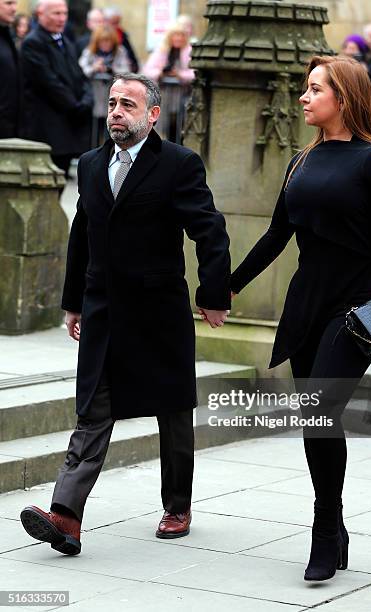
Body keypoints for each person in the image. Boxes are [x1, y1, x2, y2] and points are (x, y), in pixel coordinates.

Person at [19, 73, 231, 555]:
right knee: (92, 410)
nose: (117, 111)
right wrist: (73, 301)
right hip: (104, 311)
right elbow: (82, 237)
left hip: (159, 312)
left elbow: (210, 231)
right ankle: (66, 517)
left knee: (173, 410)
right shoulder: (92, 164)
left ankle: (177, 505)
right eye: (112, 102)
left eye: (128, 104)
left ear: (153, 115)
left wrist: (214, 293)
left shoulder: (178, 164)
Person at [230, 55, 371, 582]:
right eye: (306, 89)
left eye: (315, 89)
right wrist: (227, 287)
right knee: (317, 421)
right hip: (306, 305)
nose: (304, 98)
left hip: (356, 309)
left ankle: (324, 528)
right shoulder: (301, 160)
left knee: (321, 407)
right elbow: (275, 237)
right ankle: (334, 523)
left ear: (345, 96)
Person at [21, 0, 93, 178]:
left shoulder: (66, 42)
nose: (62, 19)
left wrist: (87, 99)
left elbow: (79, 75)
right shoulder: (33, 43)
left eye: (64, 13)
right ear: (40, 14)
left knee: (59, 178)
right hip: (48, 125)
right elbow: (48, 82)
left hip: (68, 125)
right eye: (56, 13)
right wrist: (75, 106)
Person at [79, 25, 131, 146]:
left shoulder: (120, 52)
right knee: (93, 133)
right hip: (93, 98)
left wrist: (111, 70)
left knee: (110, 132)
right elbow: (81, 69)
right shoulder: (89, 52)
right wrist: (94, 68)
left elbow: (126, 70)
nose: (106, 44)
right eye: (103, 41)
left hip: (112, 98)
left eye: (108, 41)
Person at [142, 24, 194, 142]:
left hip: (184, 97)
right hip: (166, 97)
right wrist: (161, 73)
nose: (178, 38)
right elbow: (147, 70)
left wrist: (180, 75)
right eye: (175, 35)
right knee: (168, 129)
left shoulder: (190, 51)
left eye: (181, 35)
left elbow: (195, 73)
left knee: (181, 127)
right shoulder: (162, 50)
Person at [0, 0, 20, 138]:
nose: (14, 9)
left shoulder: (7, 35)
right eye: (9, 3)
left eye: (15, 3)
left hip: (9, 124)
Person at [103, 6, 138, 72]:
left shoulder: (122, 34)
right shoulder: (99, 36)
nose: (116, 26)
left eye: (118, 22)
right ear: (105, 21)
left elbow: (132, 58)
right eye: (113, 23)